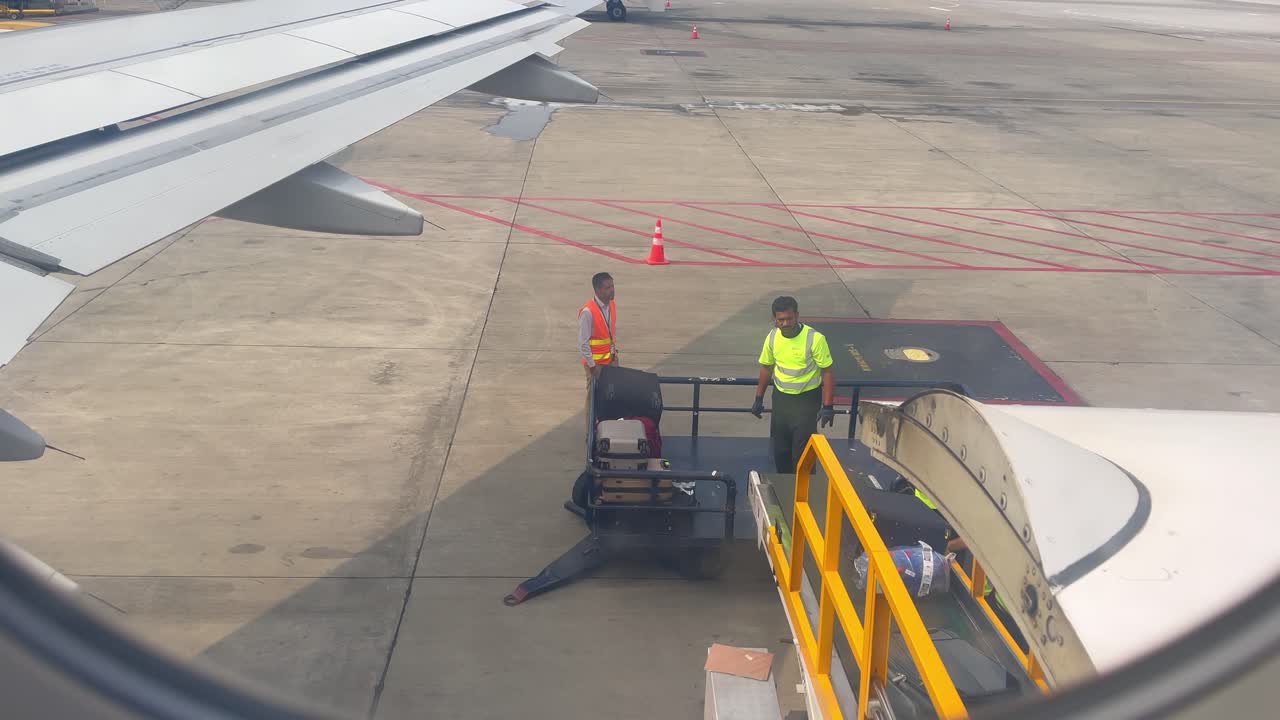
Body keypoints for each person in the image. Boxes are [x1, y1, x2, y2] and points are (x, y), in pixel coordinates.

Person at [750, 296, 835, 474]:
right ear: (774, 319)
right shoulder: (772, 337)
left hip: (806, 402)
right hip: (781, 401)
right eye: (781, 320)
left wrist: (827, 406)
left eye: (789, 318)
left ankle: (806, 487)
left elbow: (827, 372)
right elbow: (766, 368)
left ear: (797, 315)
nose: (785, 323)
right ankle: (786, 485)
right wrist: (758, 398)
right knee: (781, 452)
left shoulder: (815, 339)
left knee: (802, 453)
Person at [579, 272, 618, 426]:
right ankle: (590, 433)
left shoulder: (611, 305)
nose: (612, 290)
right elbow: (583, 343)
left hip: (611, 360)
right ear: (598, 290)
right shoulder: (588, 312)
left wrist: (614, 357)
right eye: (608, 288)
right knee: (593, 399)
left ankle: (608, 427)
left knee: (611, 396)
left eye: (612, 286)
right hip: (596, 365)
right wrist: (592, 366)